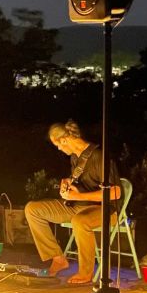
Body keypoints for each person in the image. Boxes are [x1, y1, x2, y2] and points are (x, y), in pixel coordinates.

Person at [24, 120, 122, 284]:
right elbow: (82, 184)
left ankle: (86, 273)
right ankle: (58, 258)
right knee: (32, 209)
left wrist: (78, 197)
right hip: (78, 206)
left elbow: (116, 192)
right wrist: (68, 182)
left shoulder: (99, 157)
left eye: (57, 145)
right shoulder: (76, 158)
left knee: (79, 221)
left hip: (105, 211)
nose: (59, 149)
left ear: (64, 140)